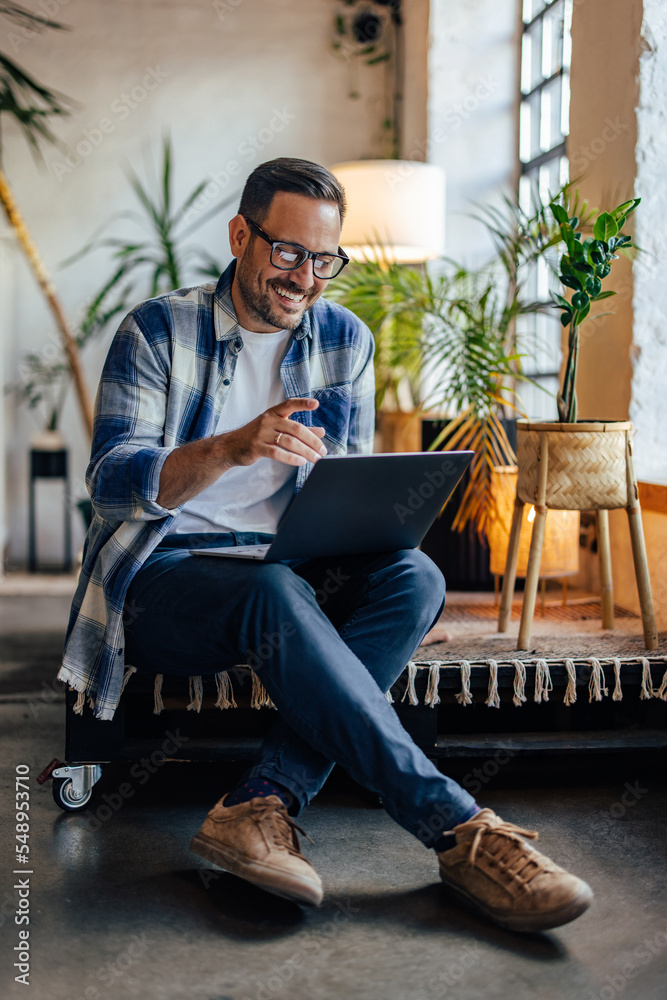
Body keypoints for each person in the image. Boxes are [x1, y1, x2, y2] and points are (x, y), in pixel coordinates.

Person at [59, 157, 593, 932]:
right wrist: (231, 448)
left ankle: (260, 799)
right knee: (273, 592)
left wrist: (374, 544)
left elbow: (347, 488)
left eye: (323, 260)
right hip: (165, 578)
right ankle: (461, 831)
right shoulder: (156, 330)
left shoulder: (344, 338)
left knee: (414, 578)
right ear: (241, 235)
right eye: (285, 253)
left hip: (290, 569)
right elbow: (110, 482)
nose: (304, 277)